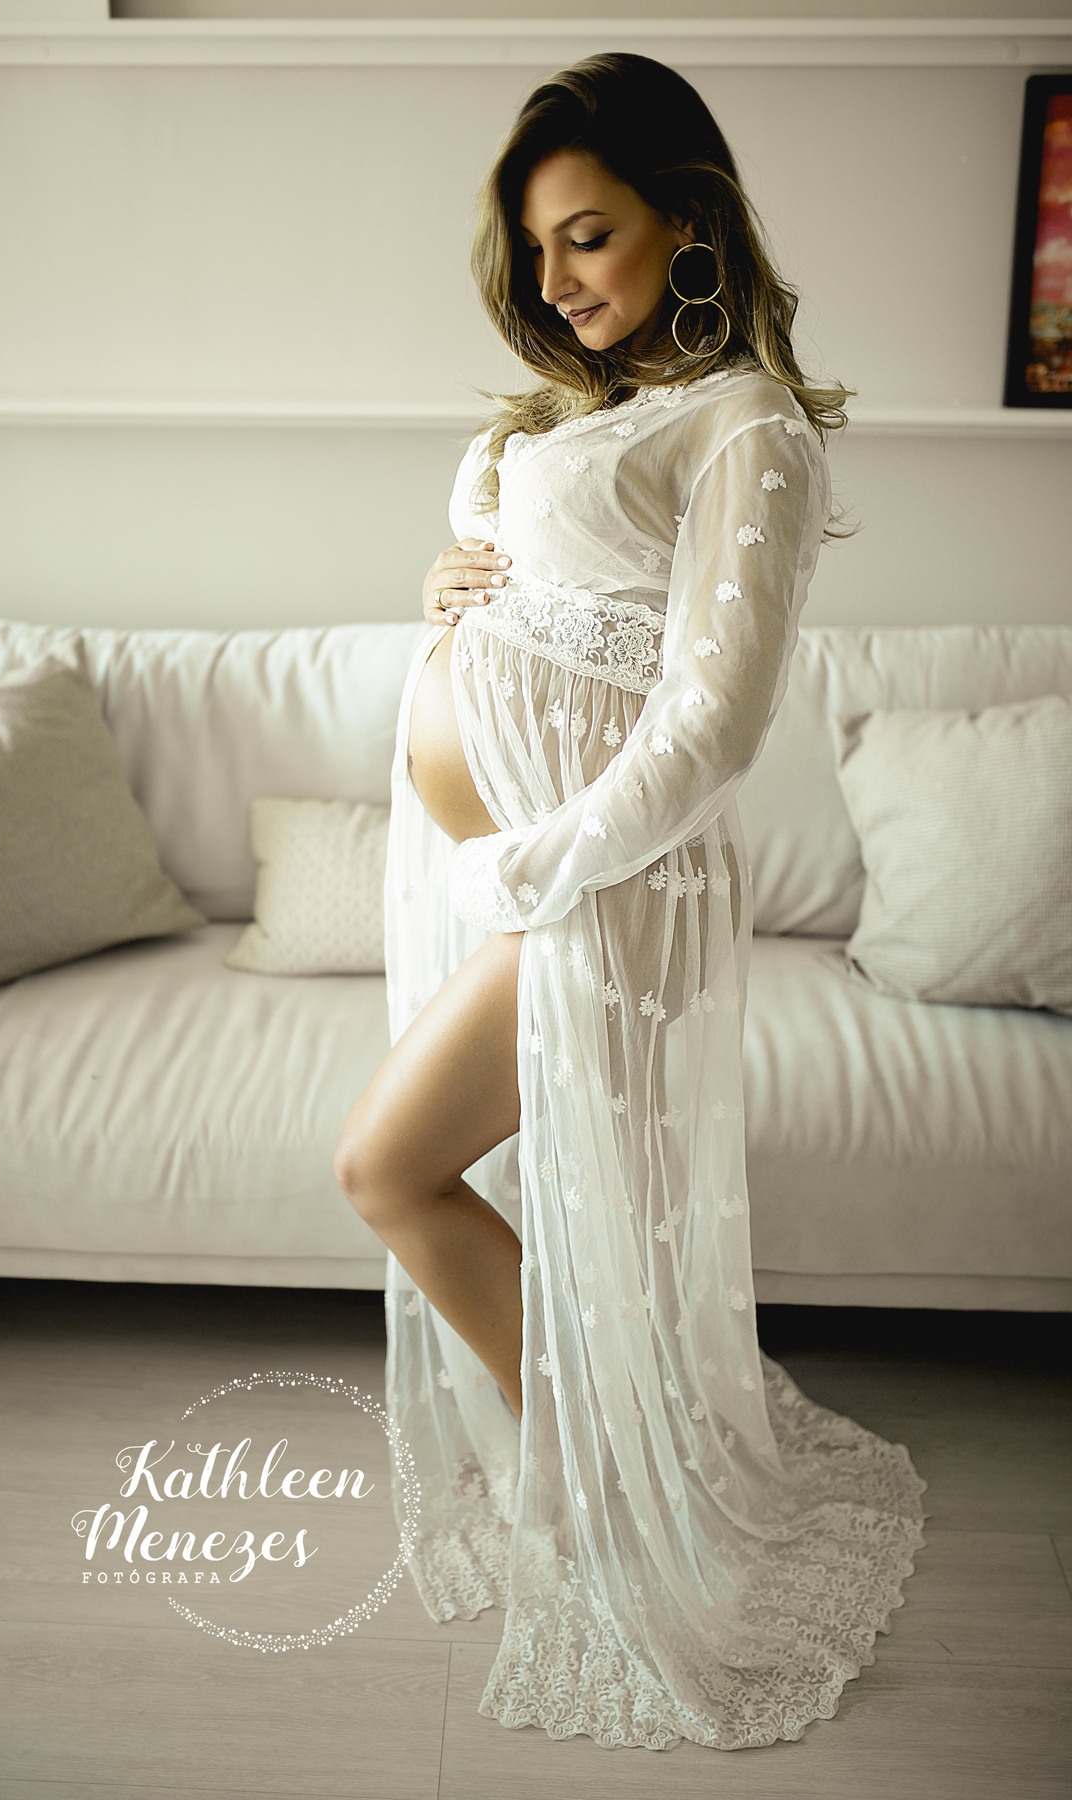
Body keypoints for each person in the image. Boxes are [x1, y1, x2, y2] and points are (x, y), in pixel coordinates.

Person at [334, 51, 929, 1752]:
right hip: (526, 889)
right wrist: (447, 594)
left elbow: (711, 727)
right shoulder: (570, 417)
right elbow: (540, 608)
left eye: (588, 235)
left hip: (608, 892)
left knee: (389, 1166)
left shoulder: (746, 426)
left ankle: (597, 1492)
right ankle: (587, 1462)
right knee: (494, 1194)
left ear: (688, 217)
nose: (555, 278)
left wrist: (530, 861)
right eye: (535, 250)